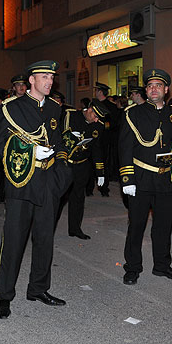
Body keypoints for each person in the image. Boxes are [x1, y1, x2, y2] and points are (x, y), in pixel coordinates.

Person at [0, 60, 71, 319]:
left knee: (45, 240)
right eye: (44, 77)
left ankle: (38, 289)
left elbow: (58, 142)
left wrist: (62, 171)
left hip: (48, 182)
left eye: (52, 77)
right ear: (31, 81)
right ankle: (4, 295)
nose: (49, 81)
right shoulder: (11, 108)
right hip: (21, 180)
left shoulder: (55, 109)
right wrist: (30, 150)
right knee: (14, 240)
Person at [119, 69, 172, 285]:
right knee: (136, 226)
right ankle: (132, 268)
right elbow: (125, 148)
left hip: (167, 179)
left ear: (166, 90)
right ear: (146, 90)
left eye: (158, 85)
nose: (154, 89)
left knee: (163, 226)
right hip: (141, 178)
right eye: (150, 86)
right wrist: (127, 179)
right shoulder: (133, 114)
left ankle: (162, 265)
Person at [56, 99, 108, 239]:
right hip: (66, 164)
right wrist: (70, 137)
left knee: (78, 198)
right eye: (95, 116)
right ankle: (49, 228)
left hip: (82, 165)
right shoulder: (70, 115)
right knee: (58, 198)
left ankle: (75, 228)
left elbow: (97, 149)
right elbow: (57, 137)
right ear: (89, 110)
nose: (96, 120)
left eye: (99, 118)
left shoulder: (99, 126)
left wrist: (100, 172)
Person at [94, 82, 120, 197]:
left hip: (105, 139)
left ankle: (104, 187)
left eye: (96, 91)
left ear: (100, 92)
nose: (95, 92)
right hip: (94, 137)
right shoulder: (93, 104)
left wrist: (104, 126)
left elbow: (114, 123)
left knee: (104, 163)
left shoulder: (110, 106)